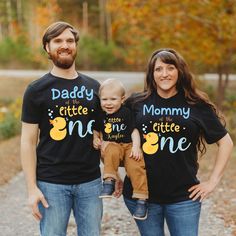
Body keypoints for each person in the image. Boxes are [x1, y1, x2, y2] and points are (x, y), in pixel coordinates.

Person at [20, 21, 122, 236]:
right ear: (47, 47)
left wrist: (112, 172)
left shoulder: (95, 88)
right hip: (51, 183)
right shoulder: (36, 90)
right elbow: (28, 141)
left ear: (76, 45)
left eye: (69, 40)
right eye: (57, 41)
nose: (64, 45)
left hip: (91, 182)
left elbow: (102, 136)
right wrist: (31, 189)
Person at [123, 48, 233, 236]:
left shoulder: (196, 105)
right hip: (142, 196)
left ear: (180, 71)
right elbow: (113, 132)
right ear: (152, 74)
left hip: (184, 197)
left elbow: (226, 142)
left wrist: (213, 181)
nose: (164, 74)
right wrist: (111, 173)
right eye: (158, 69)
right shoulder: (136, 103)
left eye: (170, 68)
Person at [93, 78, 149, 220]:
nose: (108, 103)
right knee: (110, 149)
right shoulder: (101, 114)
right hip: (113, 145)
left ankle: (142, 199)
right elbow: (96, 129)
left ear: (122, 99)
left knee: (136, 166)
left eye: (113, 99)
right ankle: (109, 181)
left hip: (129, 145)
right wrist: (96, 138)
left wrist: (136, 147)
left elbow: (134, 131)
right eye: (104, 99)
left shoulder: (126, 112)